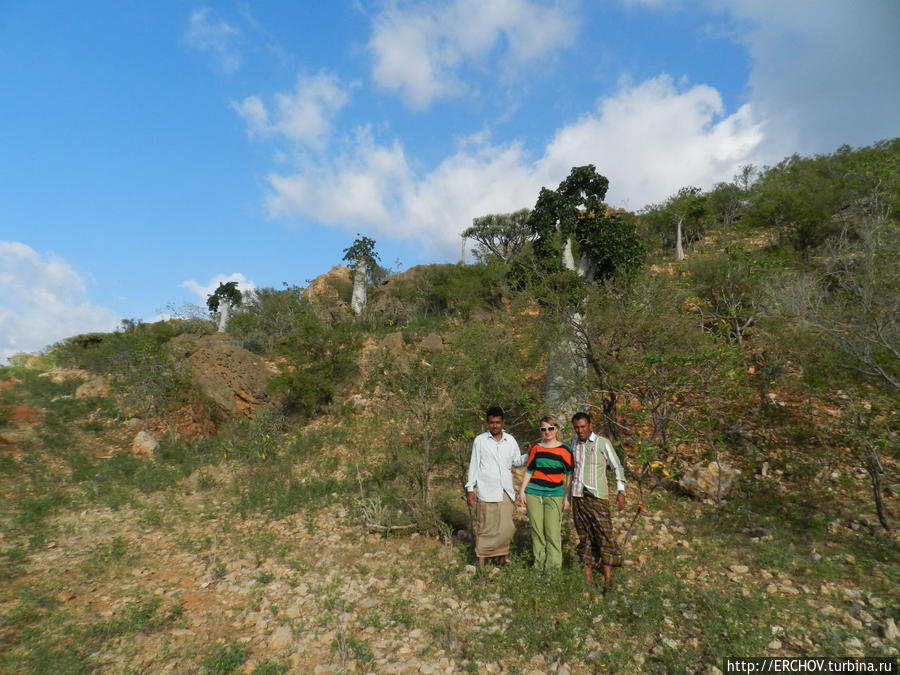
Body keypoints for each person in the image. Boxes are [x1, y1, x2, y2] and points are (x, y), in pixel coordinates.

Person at [569, 411, 626, 590]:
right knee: (585, 535)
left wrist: (621, 491)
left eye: (583, 426)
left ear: (590, 425)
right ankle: (587, 577)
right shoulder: (573, 444)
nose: (580, 431)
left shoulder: (603, 443)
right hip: (578, 495)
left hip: (597, 496)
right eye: (577, 427)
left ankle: (607, 579)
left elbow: (617, 466)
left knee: (605, 535)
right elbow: (571, 470)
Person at [465, 406, 528, 568]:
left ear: (502, 422)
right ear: (487, 423)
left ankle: (501, 561)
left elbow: (517, 462)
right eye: (492, 422)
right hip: (486, 491)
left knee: (506, 528)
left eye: (497, 422)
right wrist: (470, 488)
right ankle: (482, 565)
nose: (494, 425)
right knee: (486, 527)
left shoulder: (510, 440)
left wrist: (531, 454)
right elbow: (474, 465)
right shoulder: (480, 440)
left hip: (505, 491)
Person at [518, 415, 573, 571]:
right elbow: (529, 470)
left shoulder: (565, 450)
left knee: (552, 532)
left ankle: (552, 571)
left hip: (554, 494)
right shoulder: (536, 448)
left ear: (556, 429)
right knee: (537, 531)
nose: (547, 432)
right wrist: (522, 490)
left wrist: (567, 498)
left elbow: (569, 475)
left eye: (550, 428)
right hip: (534, 493)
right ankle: (538, 566)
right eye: (544, 429)